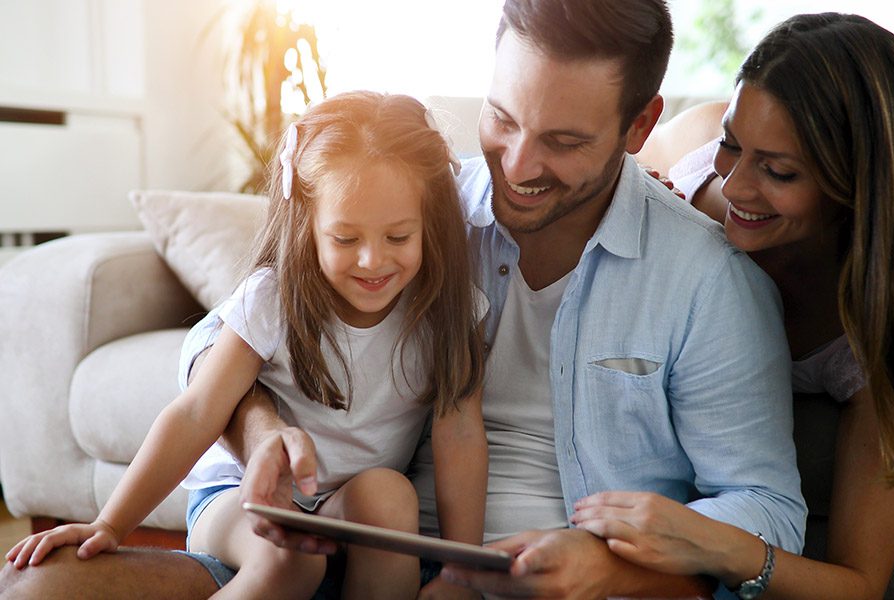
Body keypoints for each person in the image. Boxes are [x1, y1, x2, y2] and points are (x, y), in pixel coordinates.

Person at [0, 1, 807, 598]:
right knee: (39, 589)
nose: (516, 165)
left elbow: (767, 506)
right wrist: (264, 426)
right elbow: (228, 338)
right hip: (312, 541)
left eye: (564, 141)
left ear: (640, 127)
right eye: (501, 117)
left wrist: (622, 563)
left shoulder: (706, 282)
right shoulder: (420, 205)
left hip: (524, 581)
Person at [4, 91, 489, 600]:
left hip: (350, 507)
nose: (373, 261)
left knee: (391, 496)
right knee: (290, 552)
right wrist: (110, 524)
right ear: (309, 226)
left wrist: (462, 574)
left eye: (398, 237)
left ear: (428, 222)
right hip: (239, 498)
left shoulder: (450, 311)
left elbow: (459, 435)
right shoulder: (273, 297)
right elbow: (196, 413)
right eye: (346, 239)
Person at [575, 13, 894, 599]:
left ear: (854, 182)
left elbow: (859, 585)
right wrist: (639, 190)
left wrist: (713, 543)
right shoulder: (698, 156)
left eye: (778, 171)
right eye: (732, 143)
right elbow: (622, 162)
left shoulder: (872, 337)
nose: (738, 185)